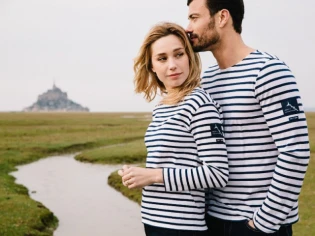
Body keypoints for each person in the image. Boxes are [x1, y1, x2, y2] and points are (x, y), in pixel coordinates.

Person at [185, 0, 310, 235]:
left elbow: (295, 151)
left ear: (222, 17)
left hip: (254, 225)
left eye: (194, 18)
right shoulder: (206, 80)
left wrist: (263, 223)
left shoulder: (269, 72)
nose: (188, 28)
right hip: (212, 220)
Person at [118, 22, 229, 236]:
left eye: (179, 54)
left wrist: (152, 176)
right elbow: (170, 161)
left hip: (182, 226)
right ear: (152, 65)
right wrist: (137, 174)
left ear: (190, 56)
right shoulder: (162, 106)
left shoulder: (199, 104)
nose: (172, 65)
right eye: (162, 58)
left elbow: (217, 174)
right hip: (153, 219)